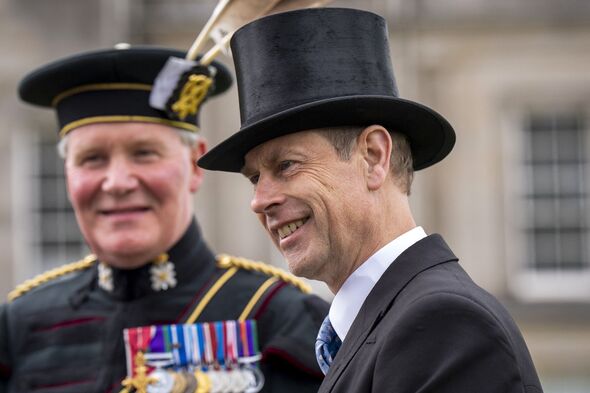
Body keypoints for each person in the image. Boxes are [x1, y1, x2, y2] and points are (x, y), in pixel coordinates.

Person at [198, 8, 544, 393]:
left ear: (374, 156)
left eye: (287, 165)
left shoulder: (441, 323)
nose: (260, 200)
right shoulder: (384, 321)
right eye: (255, 178)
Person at [0, 45, 328, 393]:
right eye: (92, 158)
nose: (118, 182)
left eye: (144, 154)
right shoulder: (20, 326)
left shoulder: (276, 316)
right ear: (68, 174)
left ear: (193, 164)